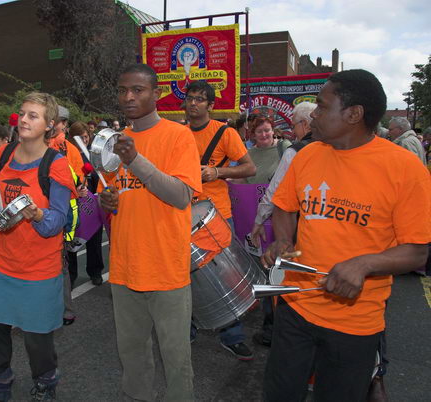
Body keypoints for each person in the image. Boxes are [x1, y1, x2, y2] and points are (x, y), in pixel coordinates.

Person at [261, 69, 431, 402]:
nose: (314, 116)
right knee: (279, 394)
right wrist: (283, 241)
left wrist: (365, 264)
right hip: (296, 307)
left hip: (356, 322)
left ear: (354, 114)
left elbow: (417, 251)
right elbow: (284, 207)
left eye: (322, 107)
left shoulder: (405, 169)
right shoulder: (307, 154)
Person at [99, 64, 202, 401]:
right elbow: (122, 195)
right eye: (122, 89)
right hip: (125, 266)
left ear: (156, 94)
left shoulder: (178, 135)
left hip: (166, 268)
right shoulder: (117, 142)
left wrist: (136, 159)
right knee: (133, 356)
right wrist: (108, 200)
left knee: (176, 359)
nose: (128, 96)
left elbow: (181, 195)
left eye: (138, 90)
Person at [0, 92, 76, 401]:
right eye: (22, 113)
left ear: (49, 125)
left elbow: (57, 220)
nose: (23, 119)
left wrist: (36, 215)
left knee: (37, 338)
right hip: (3, 263)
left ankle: (46, 381)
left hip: (40, 268)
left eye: (33, 115)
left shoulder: (56, 165)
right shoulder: (2, 156)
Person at [183, 80, 257, 360]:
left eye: (200, 99)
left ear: (211, 105)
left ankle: (232, 335)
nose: (194, 103)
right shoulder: (177, 133)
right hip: (182, 215)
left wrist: (218, 173)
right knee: (185, 275)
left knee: (227, 274)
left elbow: (250, 167)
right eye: (190, 98)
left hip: (217, 215)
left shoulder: (224, 133)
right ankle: (186, 326)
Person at [248, 101, 317, 348]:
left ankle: (275, 331)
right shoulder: (335, 148)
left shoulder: (295, 150)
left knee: (280, 277)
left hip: (294, 231)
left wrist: (258, 222)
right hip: (320, 232)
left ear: (305, 123)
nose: (294, 131)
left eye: (295, 125)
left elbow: (275, 192)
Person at [48, 105, 85, 326]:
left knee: (57, 264)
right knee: (59, 263)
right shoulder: (67, 148)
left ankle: (62, 309)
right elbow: (79, 180)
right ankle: (64, 309)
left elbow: (77, 180)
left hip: (56, 212)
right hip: (61, 211)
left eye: (57, 121)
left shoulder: (61, 148)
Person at [68, 121, 105, 286]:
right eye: (80, 138)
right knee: (72, 240)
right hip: (73, 202)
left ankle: (95, 271)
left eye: (86, 137)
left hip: (91, 202)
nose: (84, 141)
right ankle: (71, 274)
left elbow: (102, 176)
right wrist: (76, 190)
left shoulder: (93, 155)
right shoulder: (66, 154)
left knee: (94, 239)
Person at [243, 117, 291, 184]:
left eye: (267, 130)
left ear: (272, 131)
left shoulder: (284, 147)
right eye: (259, 131)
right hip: (254, 194)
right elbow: (245, 180)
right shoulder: (249, 154)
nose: (263, 135)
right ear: (254, 135)